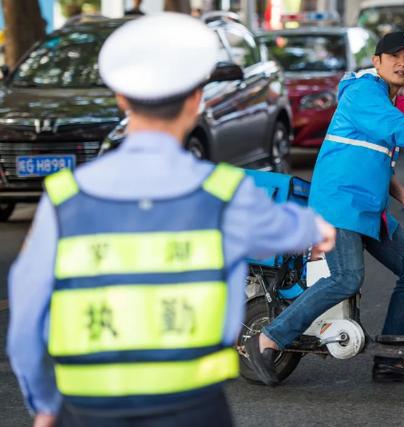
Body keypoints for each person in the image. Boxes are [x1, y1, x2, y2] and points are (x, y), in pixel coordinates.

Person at [6, 13, 335, 427]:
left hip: (88, 407)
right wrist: (318, 230)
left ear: (121, 100)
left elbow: (25, 324)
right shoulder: (224, 193)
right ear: (196, 102)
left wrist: (44, 405)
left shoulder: (62, 200)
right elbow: (292, 227)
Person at [245, 31, 404, 385]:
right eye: (395, 56)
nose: (403, 63)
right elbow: (397, 129)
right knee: (346, 277)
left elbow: (378, 157)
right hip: (338, 203)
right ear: (376, 60)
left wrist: (401, 194)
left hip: (369, 207)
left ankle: (390, 359)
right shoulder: (362, 92)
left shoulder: (389, 99)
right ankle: (267, 340)